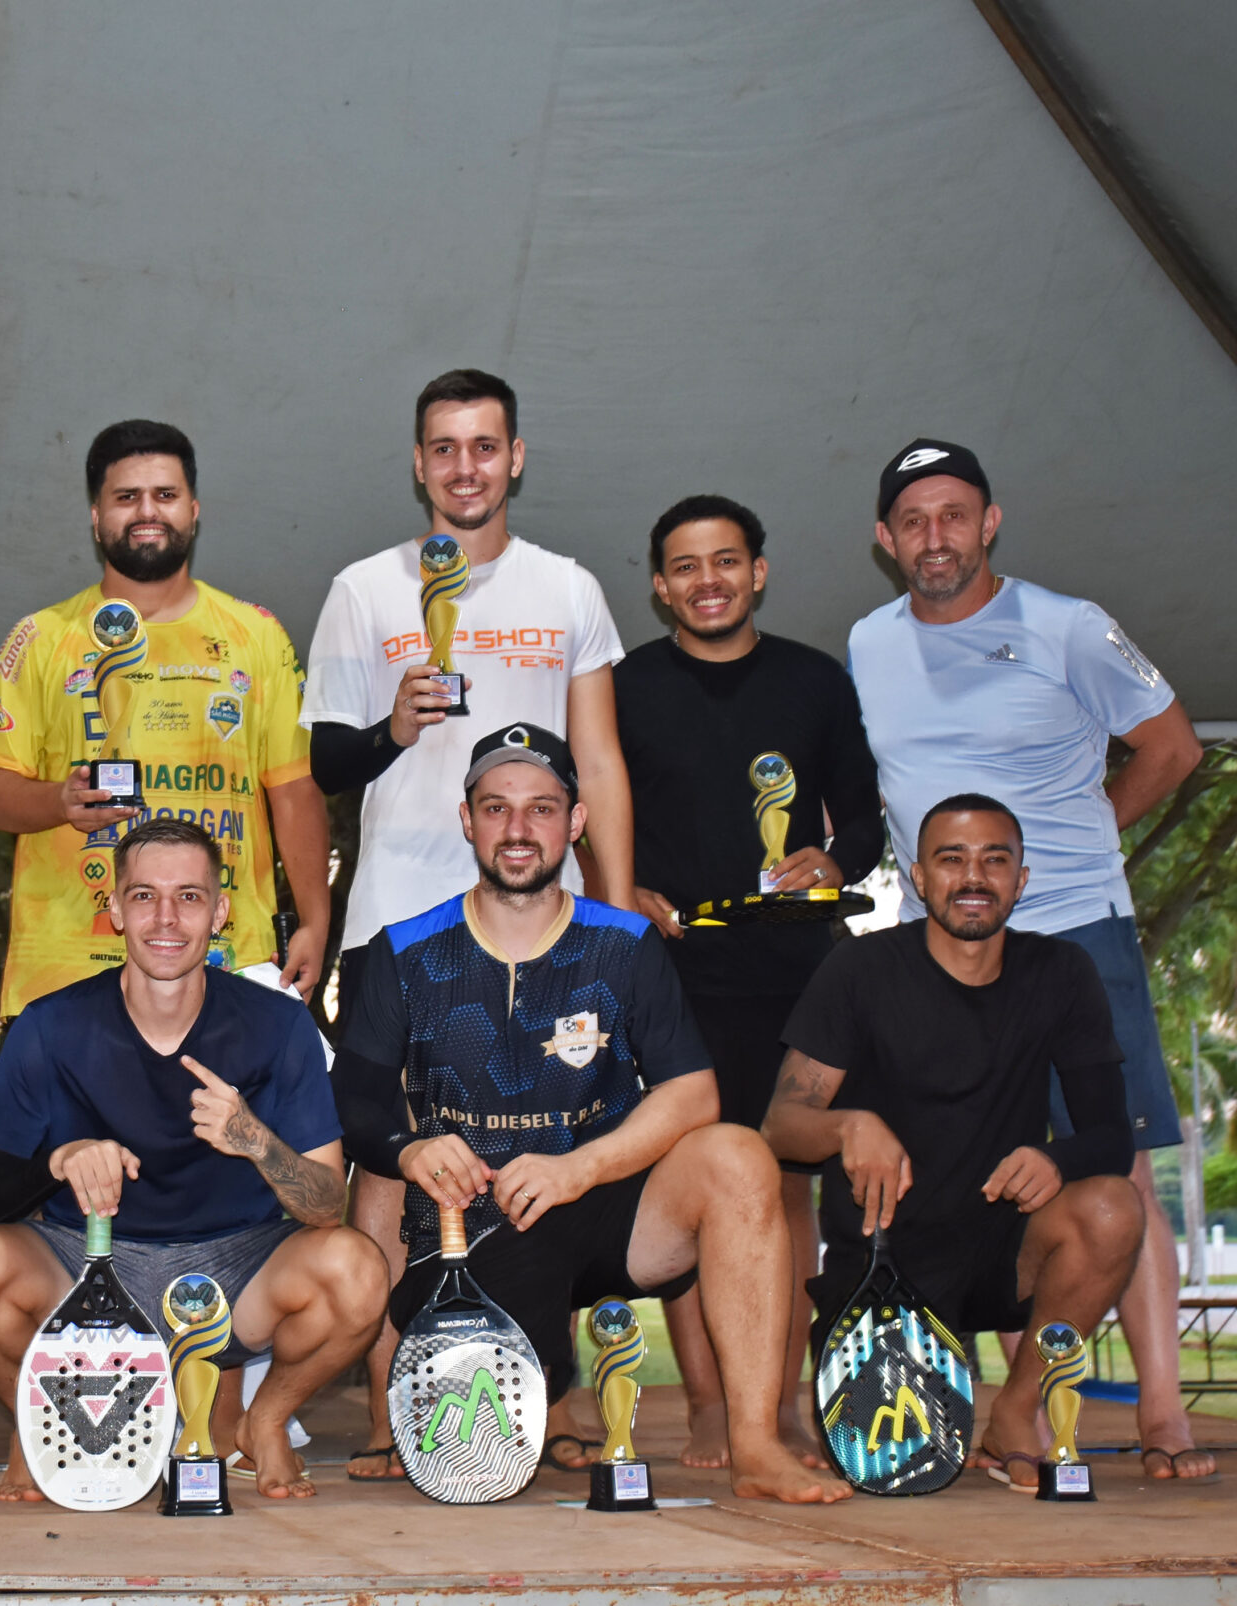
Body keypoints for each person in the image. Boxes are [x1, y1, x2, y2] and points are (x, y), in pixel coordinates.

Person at [331, 723, 848, 1504]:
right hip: (468, 1222)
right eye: (497, 809)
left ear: (575, 823)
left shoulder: (627, 942)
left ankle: (755, 1445)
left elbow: (692, 1093)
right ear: (467, 821)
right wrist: (408, 1150)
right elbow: (358, 1100)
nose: (518, 829)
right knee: (485, 1454)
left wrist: (579, 1170)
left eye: (542, 809)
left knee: (738, 1154)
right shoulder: (402, 951)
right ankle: (393, 1409)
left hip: (601, 1205)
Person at [849, 438, 1212, 1480]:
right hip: (942, 950)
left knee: (1118, 1163)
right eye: (913, 521)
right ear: (884, 539)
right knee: (991, 1168)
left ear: (989, 522)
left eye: (953, 515)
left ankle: (1159, 1411)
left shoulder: (1067, 625)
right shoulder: (868, 643)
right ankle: (1029, 1414)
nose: (935, 538)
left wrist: (1082, 847)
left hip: (1072, 934)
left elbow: (1172, 746)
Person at [300, 369, 636, 1478]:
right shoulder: (361, 589)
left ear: (516, 457)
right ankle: (397, 1406)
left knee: (563, 1143)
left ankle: (573, 1387)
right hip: (399, 910)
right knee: (392, 1158)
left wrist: (619, 906)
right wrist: (390, 726)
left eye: (483, 446)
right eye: (443, 448)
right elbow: (321, 761)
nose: (463, 467)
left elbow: (599, 761)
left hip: (550, 920)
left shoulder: (569, 587)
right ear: (417, 463)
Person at [0, 818, 385, 1501]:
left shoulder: (278, 1022)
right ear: (114, 910)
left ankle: (265, 1420)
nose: (166, 918)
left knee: (358, 1272)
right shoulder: (49, 1026)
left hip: (241, 1273)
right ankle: (39, 1422)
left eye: (189, 896)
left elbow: (327, 1205)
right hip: (88, 1266)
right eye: (144, 896)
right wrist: (60, 1159)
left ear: (221, 912)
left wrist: (256, 1140)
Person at [764, 795, 1146, 1489]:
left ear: (1021, 879)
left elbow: (1113, 1140)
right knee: (890, 1476)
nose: (974, 876)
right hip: (885, 1268)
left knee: (1112, 1205)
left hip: (1006, 1252)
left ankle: (1015, 1415)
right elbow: (782, 1128)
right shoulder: (861, 971)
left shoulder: (1062, 973)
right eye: (952, 859)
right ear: (917, 877)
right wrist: (849, 1123)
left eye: (994, 860)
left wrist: (1055, 1160)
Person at [613, 494, 882, 1471]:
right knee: (696, 1181)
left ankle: (778, 1404)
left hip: (792, 969)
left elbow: (866, 816)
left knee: (788, 1185)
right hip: (670, 971)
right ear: (657, 585)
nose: (707, 581)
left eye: (725, 561)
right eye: (684, 566)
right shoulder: (623, 684)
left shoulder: (814, 681)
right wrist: (622, 887)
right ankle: (709, 1407)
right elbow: (604, 815)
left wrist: (833, 862)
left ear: (758, 571)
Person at [0, 420, 329, 1014]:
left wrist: (314, 919)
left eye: (165, 494)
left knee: (232, 1114)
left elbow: (294, 789)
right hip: (68, 973)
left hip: (228, 959)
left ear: (194, 508)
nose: (147, 511)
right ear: (95, 515)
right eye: (126, 497)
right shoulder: (40, 638)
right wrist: (60, 802)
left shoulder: (256, 634)